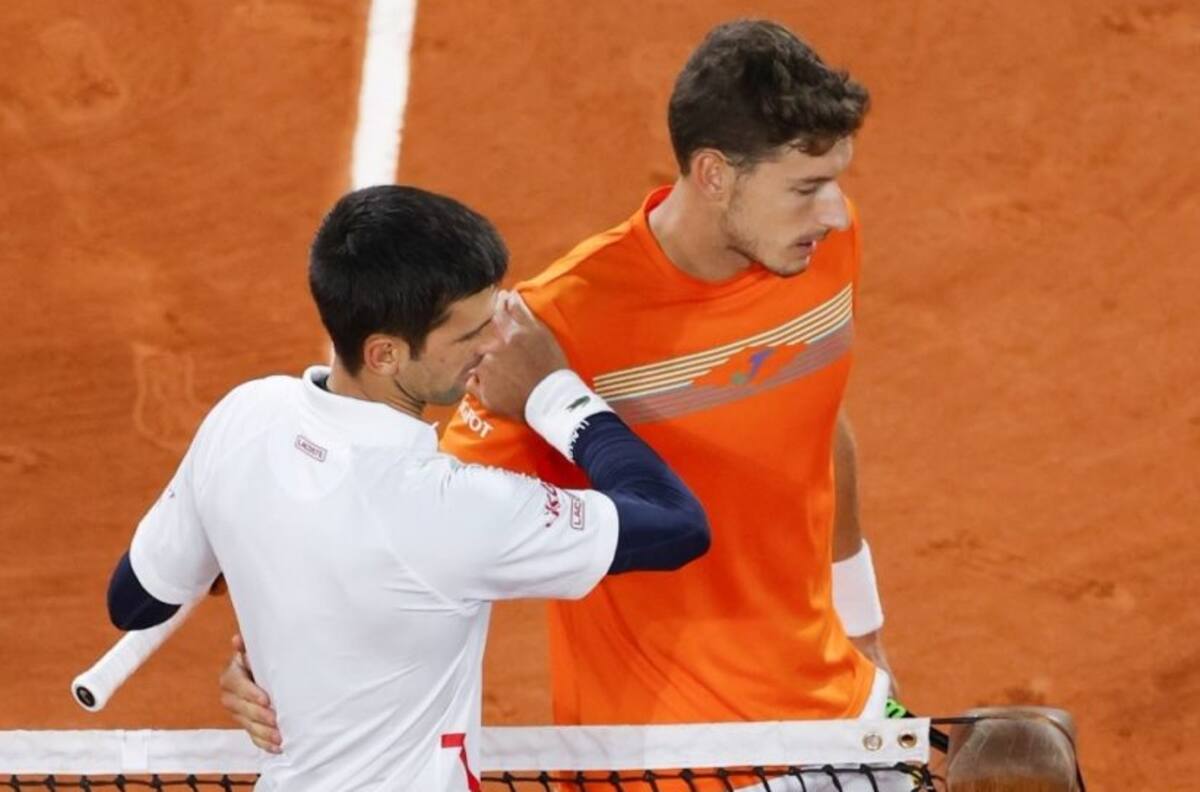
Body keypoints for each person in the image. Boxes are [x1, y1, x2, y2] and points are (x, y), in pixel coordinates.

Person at [223, 18, 899, 790]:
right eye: (807, 187)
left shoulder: (821, 252)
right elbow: (399, 520)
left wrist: (863, 622)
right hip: (671, 764)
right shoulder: (552, 329)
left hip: (842, 719)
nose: (836, 213)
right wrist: (272, 650)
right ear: (714, 174)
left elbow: (819, 424)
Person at [106, 185, 710, 791]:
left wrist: (277, 607)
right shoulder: (452, 510)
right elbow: (676, 525)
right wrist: (553, 393)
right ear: (387, 354)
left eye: (495, 313)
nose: (498, 342)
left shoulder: (244, 417)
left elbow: (136, 601)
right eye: (469, 333)